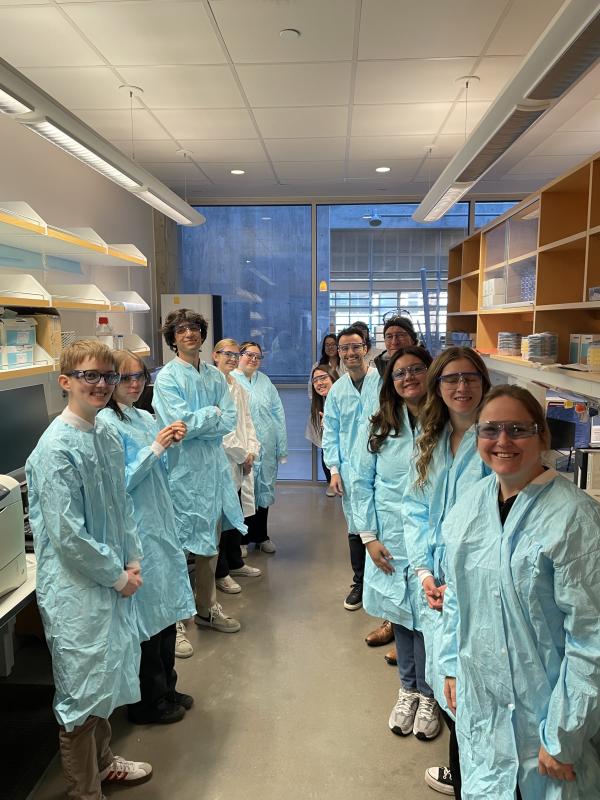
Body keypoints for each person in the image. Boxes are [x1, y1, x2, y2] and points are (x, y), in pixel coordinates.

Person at [441, 385, 600, 799]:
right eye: (491, 429)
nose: (503, 441)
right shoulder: (471, 505)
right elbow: (458, 597)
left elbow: (591, 636)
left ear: (542, 437)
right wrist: (451, 666)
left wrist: (563, 732)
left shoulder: (574, 518)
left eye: (518, 429)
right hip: (483, 708)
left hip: (547, 724)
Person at [26, 340, 152, 800]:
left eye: (108, 377)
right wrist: (118, 576)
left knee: (105, 681)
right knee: (80, 697)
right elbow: (69, 536)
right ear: (66, 383)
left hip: (111, 582)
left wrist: (132, 557)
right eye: (90, 377)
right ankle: (86, 792)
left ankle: (105, 763)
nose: (102, 385)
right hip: (78, 592)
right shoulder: (55, 449)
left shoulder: (104, 434)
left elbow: (120, 504)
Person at [403, 346, 491, 797]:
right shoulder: (430, 437)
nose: (461, 387)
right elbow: (415, 509)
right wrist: (423, 573)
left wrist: (457, 580)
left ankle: (475, 781)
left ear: (484, 382)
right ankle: (460, 775)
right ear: (437, 386)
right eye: (451, 378)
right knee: (452, 686)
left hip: (481, 585)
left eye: (470, 377)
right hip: (437, 584)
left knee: (478, 688)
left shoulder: (494, 441)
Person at [99, 350, 196, 725]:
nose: (135, 384)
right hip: (137, 531)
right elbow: (121, 481)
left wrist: (170, 442)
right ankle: (147, 702)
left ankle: (168, 688)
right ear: (110, 382)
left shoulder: (142, 415)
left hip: (159, 525)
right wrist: (156, 447)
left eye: (140, 376)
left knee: (166, 614)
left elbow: (159, 470)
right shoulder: (107, 423)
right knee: (146, 623)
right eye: (126, 378)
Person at [352, 346, 440, 741]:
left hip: (434, 538)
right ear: (391, 382)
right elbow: (361, 481)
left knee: (431, 620)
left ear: (430, 372)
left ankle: (430, 694)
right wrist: (368, 537)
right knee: (402, 618)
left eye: (416, 369)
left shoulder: (447, 424)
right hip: (389, 538)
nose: (408, 378)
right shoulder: (380, 425)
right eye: (400, 373)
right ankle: (407, 690)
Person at [153, 309, 246, 640]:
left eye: (195, 328)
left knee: (209, 544)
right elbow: (179, 425)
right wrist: (211, 415)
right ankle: (175, 617)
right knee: (177, 547)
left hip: (212, 471)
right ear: (173, 338)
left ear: (203, 335)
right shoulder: (167, 378)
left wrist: (202, 421)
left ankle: (206, 608)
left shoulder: (214, 376)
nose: (189, 333)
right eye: (181, 329)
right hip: (180, 473)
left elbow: (228, 420)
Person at [322, 325, 381, 610]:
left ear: (366, 348)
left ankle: (380, 583)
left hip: (382, 468)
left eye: (355, 347)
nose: (349, 353)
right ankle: (359, 582)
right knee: (356, 525)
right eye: (344, 348)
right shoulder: (337, 391)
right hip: (350, 470)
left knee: (383, 525)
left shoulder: (382, 384)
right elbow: (330, 431)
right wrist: (334, 470)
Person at [213, 338, 262, 593]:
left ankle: (235, 562)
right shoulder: (212, 385)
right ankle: (220, 572)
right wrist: (243, 455)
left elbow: (247, 421)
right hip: (223, 461)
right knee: (221, 519)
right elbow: (221, 430)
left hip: (241, 460)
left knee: (235, 514)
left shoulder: (238, 386)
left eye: (235, 354)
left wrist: (252, 450)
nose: (232, 358)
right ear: (215, 356)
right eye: (227, 354)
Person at [232, 341, 288, 554]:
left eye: (258, 356)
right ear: (239, 356)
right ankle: (242, 540)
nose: (253, 359)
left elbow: (278, 414)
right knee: (244, 492)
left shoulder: (265, 382)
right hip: (243, 448)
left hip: (267, 445)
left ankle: (261, 536)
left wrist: (281, 447)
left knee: (264, 491)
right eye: (249, 355)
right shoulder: (230, 380)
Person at [305, 364, 338, 496]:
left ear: (333, 378)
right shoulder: (323, 402)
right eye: (315, 380)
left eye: (323, 378)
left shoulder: (342, 398)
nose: (319, 383)